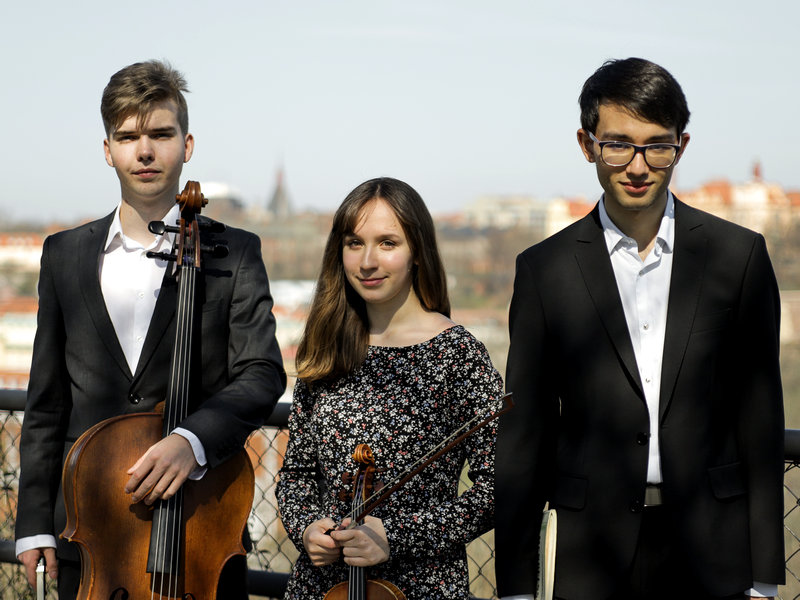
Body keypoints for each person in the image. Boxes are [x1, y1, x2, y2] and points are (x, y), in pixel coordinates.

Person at [496, 57, 784, 600]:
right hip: (590, 555)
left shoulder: (738, 257)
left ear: (682, 146)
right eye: (618, 143)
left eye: (657, 145)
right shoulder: (543, 271)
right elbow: (524, 437)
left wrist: (765, 579)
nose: (637, 164)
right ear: (587, 145)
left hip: (713, 553)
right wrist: (516, 587)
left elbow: (762, 422)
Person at [14, 59, 286, 599]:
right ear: (108, 149)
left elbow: (261, 372)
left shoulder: (235, 252)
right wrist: (33, 523)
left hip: (198, 530)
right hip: (88, 536)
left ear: (186, 145)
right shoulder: (63, 255)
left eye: (160, 134)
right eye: (128, 136)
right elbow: (46, 404)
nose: (144, 151)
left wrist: (193, 438)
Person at [275, 177, 503, 599]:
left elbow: (496, 491)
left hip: (422, 586)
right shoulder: (328, 345)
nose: (367, 261)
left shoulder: (458, 354)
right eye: (354, 243)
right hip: (322, 587)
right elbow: (297, 475)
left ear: (417, 251)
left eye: (387, 243)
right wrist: (306, 526)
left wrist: (395, 535)